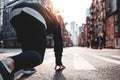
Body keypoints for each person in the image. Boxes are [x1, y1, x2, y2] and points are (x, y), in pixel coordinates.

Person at [0, 2, 65, 80]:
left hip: (14, 13)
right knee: (38, 55)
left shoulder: (43, 9)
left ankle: (25, 67)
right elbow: (58, 42)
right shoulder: (55, 21)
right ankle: (7, 64)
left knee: (27, 46)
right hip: (34, 13)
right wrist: (58, 62)